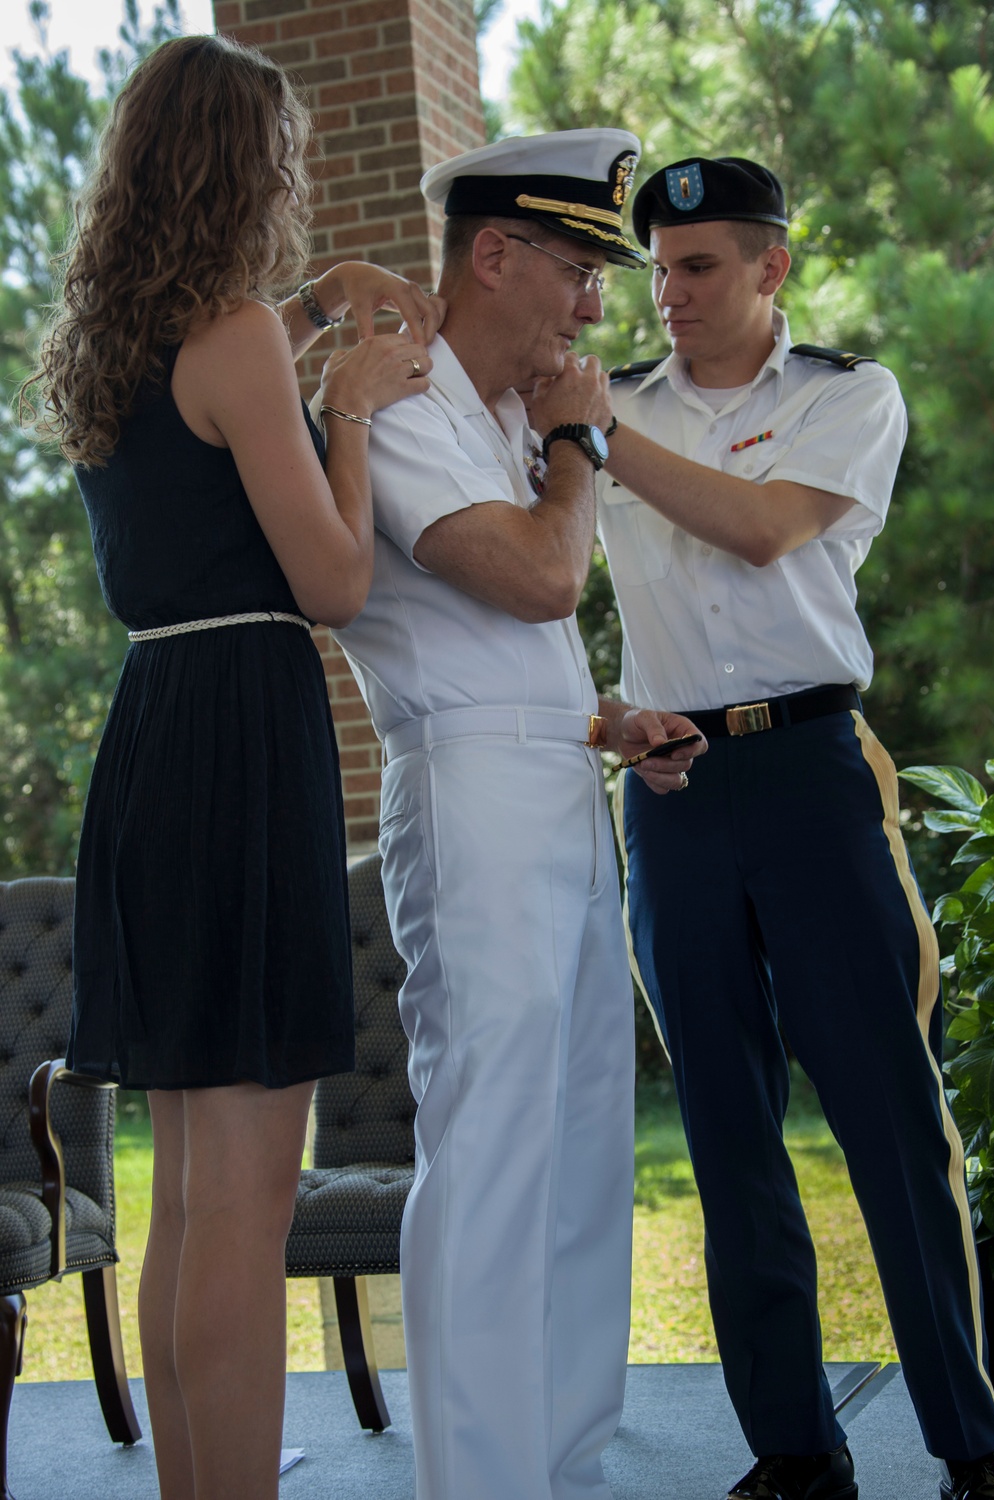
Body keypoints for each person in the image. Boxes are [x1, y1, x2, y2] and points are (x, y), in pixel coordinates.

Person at [23, 34, 442, 1500]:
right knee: (249, 1200)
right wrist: (351, 405)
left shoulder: (117, 339)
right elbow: (333, 581)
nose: (298, 179)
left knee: (190, 1193)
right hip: (242, 737)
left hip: (151, 735)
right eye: (283, 156)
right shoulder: (240, 336)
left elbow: (214, 450)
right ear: (240, 165)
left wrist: (316, 312)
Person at [595, 154, 994, 1500]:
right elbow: (541, 599)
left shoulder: (845, 394)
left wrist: (593, 435)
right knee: (724, 1126)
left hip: (817, 774)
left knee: (891, 1115)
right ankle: (793, 1453)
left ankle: (972, 1444)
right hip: (674, 799)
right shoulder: (619, 410)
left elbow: (765, 531)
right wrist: (612, 721)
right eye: (656, 269)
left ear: (772, 268)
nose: (669, 295)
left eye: (699, 267)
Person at [328, 129, 705, 1500]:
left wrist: (617, 726)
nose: (597, 307)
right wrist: (577, 439)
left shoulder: (496, 419)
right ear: (496, 255)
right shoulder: (410, 406)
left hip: (559, 777)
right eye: (580, 271)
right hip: (472, 800)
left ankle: (562, 1454)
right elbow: (543, 581)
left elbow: (539, 643)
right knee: (490, 1133)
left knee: (584, 1123)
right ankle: (481, 1477)